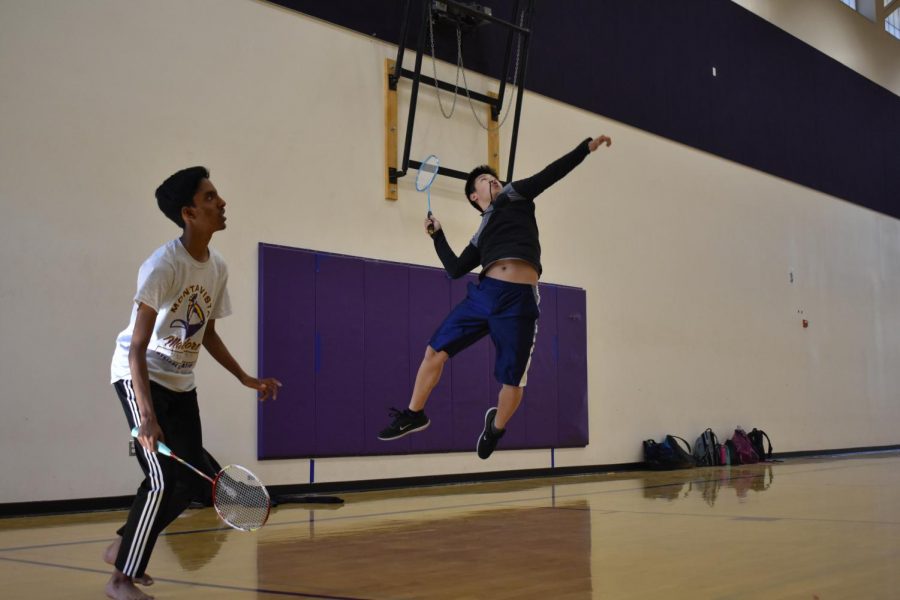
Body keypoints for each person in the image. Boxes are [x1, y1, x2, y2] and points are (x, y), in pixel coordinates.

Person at [104, 167, 282, 600]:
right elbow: (136, 347)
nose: (221, 203)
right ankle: (121, 581)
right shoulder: (162, 266)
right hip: (139, 378)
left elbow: (208, 333)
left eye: (217, 196)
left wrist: (246, 378)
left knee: (187, 488)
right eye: (210, 198)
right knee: (162, 480)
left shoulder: (216, 267)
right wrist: (146, 417)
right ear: (188, 212)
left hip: (183, 385)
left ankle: (124, 546)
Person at [378, 135, 612, 459]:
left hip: (519, 302)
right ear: (475, 196)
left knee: (512, 382)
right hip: (484, 295)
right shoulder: (481, 232)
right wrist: (438, 236)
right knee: (435, 350)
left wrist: (584, 148)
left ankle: (496, 428)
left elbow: (551, 173)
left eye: (494, 177)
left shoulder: (516, 195)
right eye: (487, 180)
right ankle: (414, 413)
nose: (495, 180)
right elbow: (457, 269)